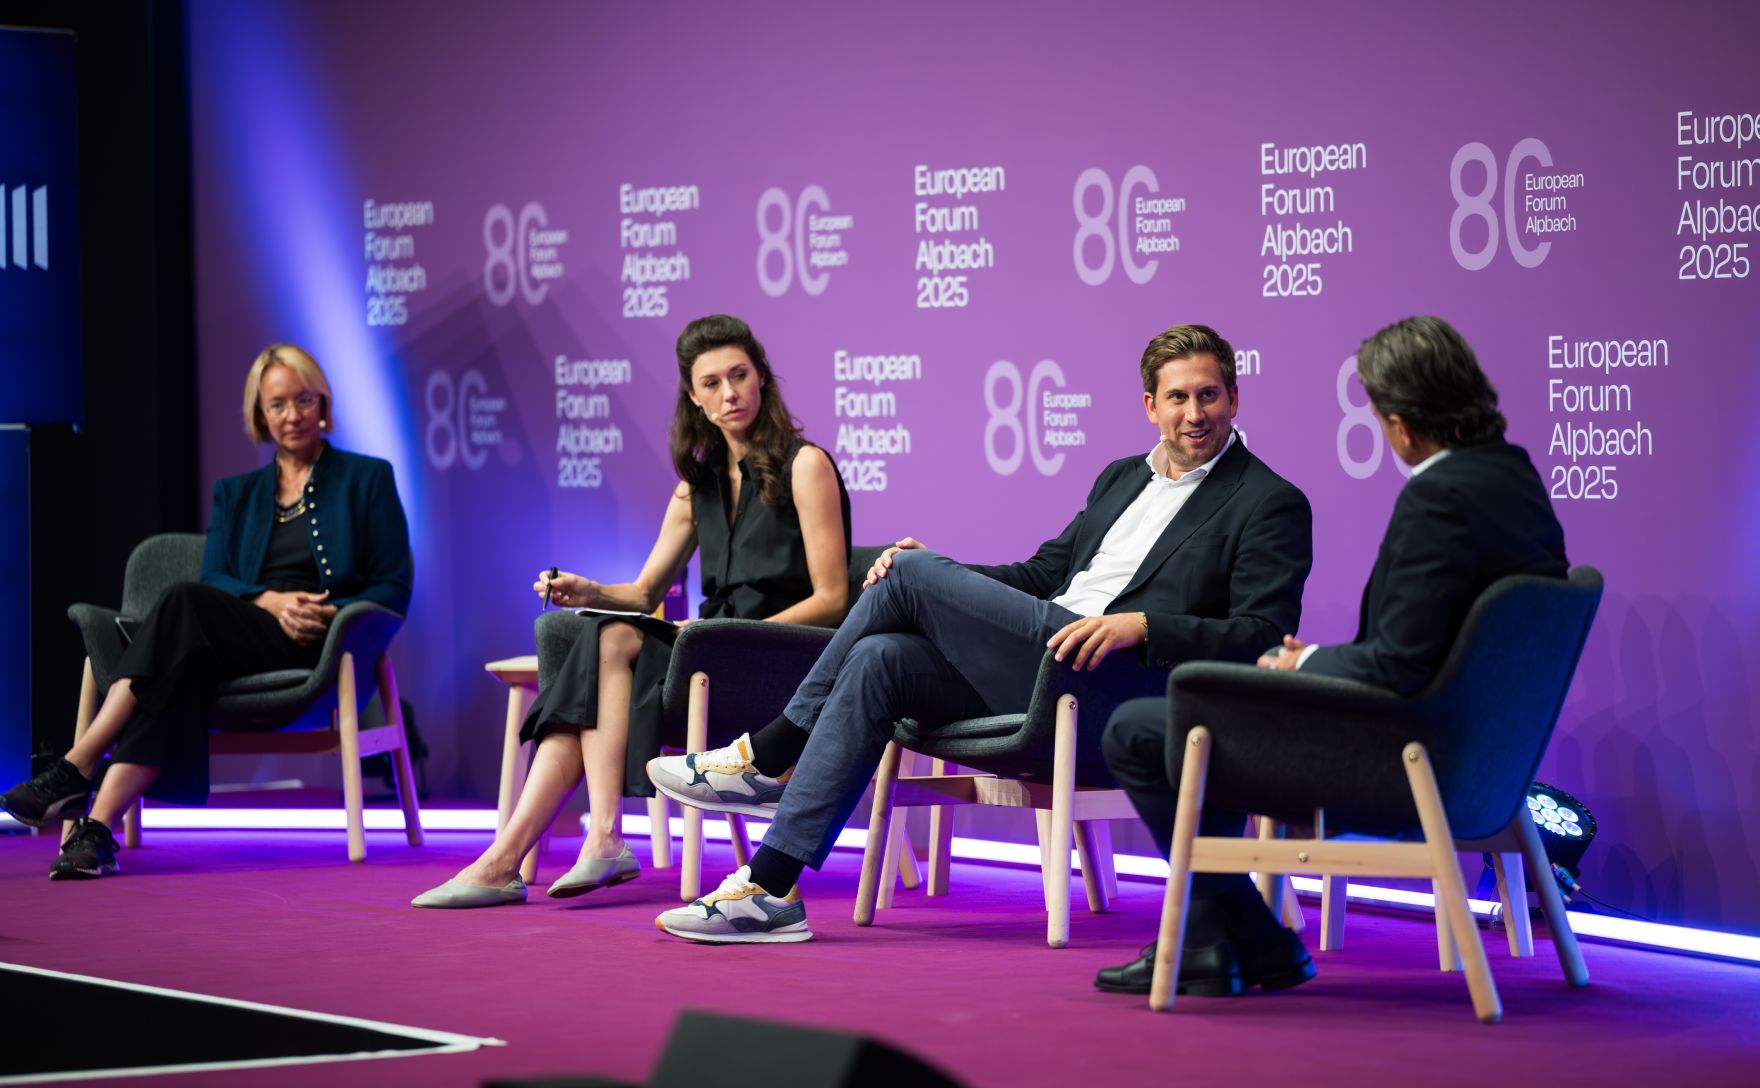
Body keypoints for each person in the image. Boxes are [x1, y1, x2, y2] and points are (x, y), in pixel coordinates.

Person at [645, 322, 1312, 944]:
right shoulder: (1121, 479)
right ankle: (770, 889)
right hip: (1039, 659)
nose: (1194, 413)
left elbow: (1262, 632)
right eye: (1177, 398)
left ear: (1233, 396)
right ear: (1149, 406)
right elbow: (1042, 571)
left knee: (904, 574)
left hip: (1108, 679)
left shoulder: (1267, 500)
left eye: (1208, 395)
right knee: (881, 656)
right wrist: (946, 571)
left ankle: (769, 752)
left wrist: (1143, 626)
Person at [1097, 314, 1568, 998]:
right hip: (1487, 759)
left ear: (1401, 422)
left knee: (1143, 730)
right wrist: (1314, 658)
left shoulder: (1439, 498)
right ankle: (1221, 941)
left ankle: (1243, 940)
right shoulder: (1513, 479)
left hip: (1403, 759)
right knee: (1194, 716)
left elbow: (1396, 667)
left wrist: (1301, 667)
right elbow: (1423, 649)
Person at [411, 314, 850, 908]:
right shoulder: (695, 488)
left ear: (762, 378)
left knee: (605, 654)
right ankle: (518, 856)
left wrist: (734, 635)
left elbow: (832, 599)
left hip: (780, 660)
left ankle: (568, 845)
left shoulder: (806, 466)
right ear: (694, 399)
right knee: (599, 642)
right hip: (710, 658)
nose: (730, 394)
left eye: (740, 376)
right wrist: (586, 591)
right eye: (713, 383)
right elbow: (645, 593)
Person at [1, 343, 413, 879]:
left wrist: (329, 612)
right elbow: (216, 575)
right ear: (260, 415)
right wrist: (267, 600)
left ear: (323, 403)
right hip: (240, 633)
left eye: (303, 400)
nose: (292, 416)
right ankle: (97, 829)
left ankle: (77, 765)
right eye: (278, 405)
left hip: (315, 640)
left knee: (180, 603)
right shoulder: (236, 494)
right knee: (181, 658)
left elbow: (394, 583)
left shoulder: (367, 478)